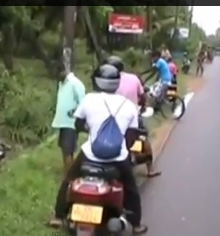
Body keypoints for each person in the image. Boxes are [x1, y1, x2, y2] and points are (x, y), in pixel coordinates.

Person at [48, 64, 148, 234]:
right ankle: (136, 224)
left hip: (89, 155)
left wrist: (91, 129)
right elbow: (130, 138)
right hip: (118, 159)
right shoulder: (129, 106)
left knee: (69, 179)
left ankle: (58, 216)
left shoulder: (89, 99)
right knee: (131, 189)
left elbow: (78, 124)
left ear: (97, 81)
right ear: (116, 82)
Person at [107, 55, 161, 178]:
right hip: (133, 117)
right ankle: (150, 169)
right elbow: (142, 96)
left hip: (114, 119)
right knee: (143, 138)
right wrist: (142, 106)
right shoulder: (133, 78)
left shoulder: (109, 82)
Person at [51, 63, 86, 178]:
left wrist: (75, 111)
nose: (55, 77)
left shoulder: (75, 83)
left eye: (57, 74)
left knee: (67, 149)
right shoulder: (62, 83)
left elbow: (83, 102)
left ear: (63, 71)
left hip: (70, 123)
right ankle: (68, 172)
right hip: (63, 122)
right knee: (65, 149)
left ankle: (69, 177)